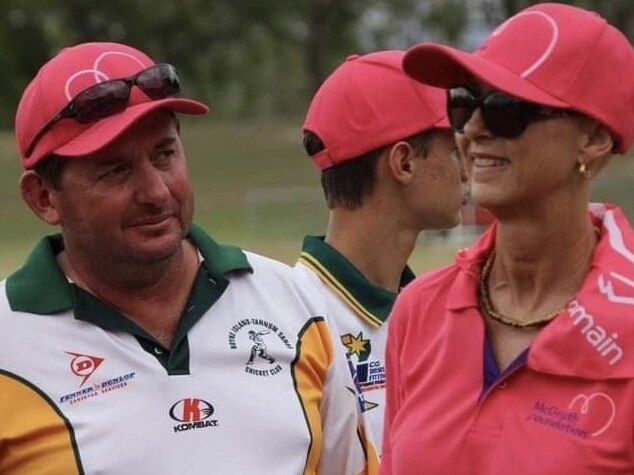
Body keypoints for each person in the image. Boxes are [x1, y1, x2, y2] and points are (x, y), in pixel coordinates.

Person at [0, 41, 369, 475]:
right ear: (43, 198)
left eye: (165, 154)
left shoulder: (292, 303)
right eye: (115, 170)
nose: (156, 192)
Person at [381, 3, 634, 474]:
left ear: (594, 138)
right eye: (464, 103)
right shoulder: (418, 310)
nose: (473, 129)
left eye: (506, 110)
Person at [294, 50, 467, 462]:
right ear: (404, 163)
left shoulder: (440, 309)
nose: (467, 168)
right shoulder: (291, 321)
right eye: (454, 150)